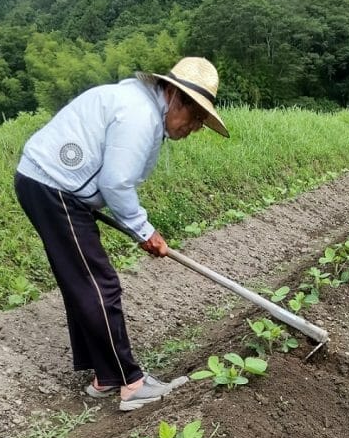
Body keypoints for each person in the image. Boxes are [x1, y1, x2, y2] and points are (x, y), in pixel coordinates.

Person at [14, 56, 229, 411]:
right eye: (195, 117)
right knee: (100, 285)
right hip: (54, 187)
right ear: (175, 96)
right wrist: (145, 231)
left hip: (50, 185)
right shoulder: (139, 115)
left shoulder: (141, 104)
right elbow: (115, 182)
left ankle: (107, 376)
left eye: (202, 122)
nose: (194, 128)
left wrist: (137, 226)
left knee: (82, 282)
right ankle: (131, 383)